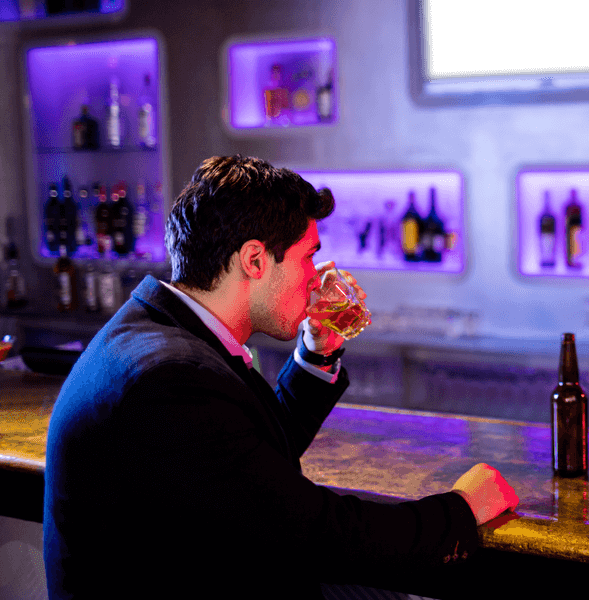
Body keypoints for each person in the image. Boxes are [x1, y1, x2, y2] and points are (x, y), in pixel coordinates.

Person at [43, 155, 518, 600]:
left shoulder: (157, 328)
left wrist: (317, 351)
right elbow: (313, 532)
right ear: (254, 260)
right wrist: (459, 511)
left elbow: (249, 462)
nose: (316, 277)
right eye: (308, 256)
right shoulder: (170, 378)